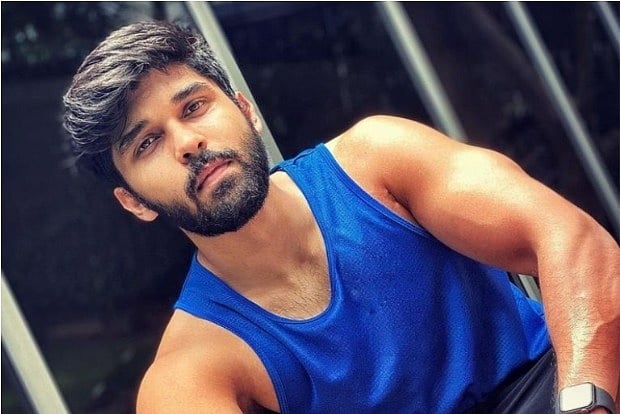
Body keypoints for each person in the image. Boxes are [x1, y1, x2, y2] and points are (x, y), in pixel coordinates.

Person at [62, 20, 619, 414]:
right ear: (134, 201)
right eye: (148, 143)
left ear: (246, 110)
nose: (187, 142)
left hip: (562, 386)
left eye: (194, 107)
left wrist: (586, 404)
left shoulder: (377, 161)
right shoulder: (190, 370)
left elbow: (570, 240)